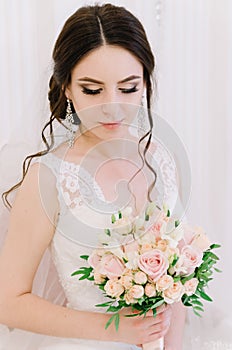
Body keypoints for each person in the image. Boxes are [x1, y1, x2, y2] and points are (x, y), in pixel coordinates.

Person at [0, 4, 186, 350]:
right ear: (66, 87)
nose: (113, 107)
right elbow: (8, 302)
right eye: (92, 89)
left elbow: (178, 288)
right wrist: (116, 330)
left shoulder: (160, 157)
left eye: (128, 88)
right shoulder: (49, 178)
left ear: (145, 81)